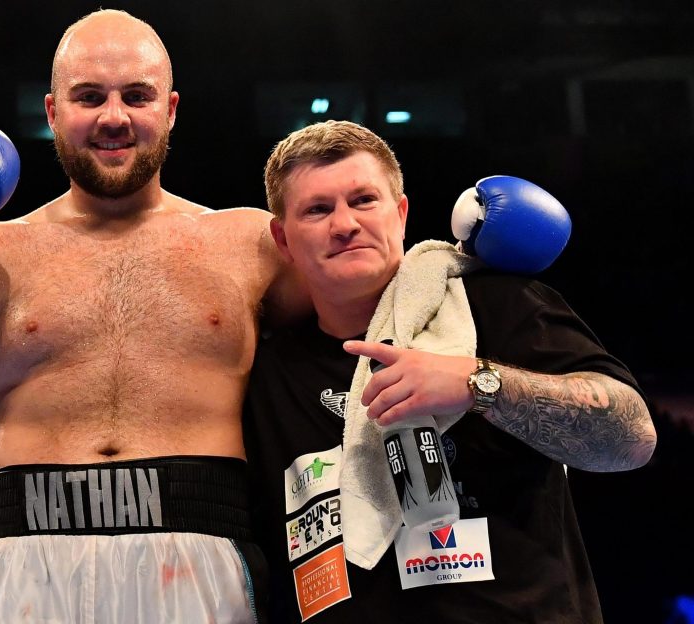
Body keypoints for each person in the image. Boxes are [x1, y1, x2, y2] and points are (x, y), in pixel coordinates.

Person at [0, 9, 309, 623]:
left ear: (171, 109)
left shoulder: (251, 243)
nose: (113, 116)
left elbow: (363, 313)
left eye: (136, 96)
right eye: (89, 97)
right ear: (52, 112)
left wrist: (459, 260)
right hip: (22, 552)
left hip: (197, 546)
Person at [242, 120, 657, 623]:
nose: (345, 223)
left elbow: (631, 439)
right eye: (318, 209)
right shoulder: (266, 378)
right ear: (282, 239)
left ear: (401, 213)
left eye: (364, 200)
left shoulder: (493, 306)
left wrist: (478, 384)